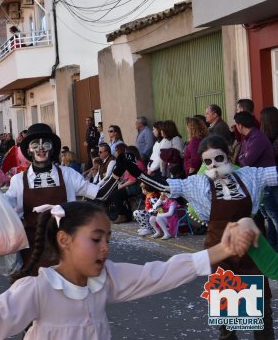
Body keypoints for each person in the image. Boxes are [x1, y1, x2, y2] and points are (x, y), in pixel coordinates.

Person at [0, 201, 237, 339]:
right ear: (64, 240)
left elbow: (159, 273)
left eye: (108, 238)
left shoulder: (107, 279)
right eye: (95, 239)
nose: (105, 247)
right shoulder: (39, 289)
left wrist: (221, 250)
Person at [110, 135, 276, 338]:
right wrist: (136, 171)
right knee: (227, 319)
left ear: (229, 156)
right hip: (220, 253)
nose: (214, 165)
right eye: (208, 162)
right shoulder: (198, 184)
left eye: (219, 158)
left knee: (262, 318)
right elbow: (163, 185)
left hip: (252, 250)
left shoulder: (251, 175)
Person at [0, 123, 102, 276]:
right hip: (32, 252)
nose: (41, 148)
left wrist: (118, 174)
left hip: (66, 249)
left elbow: (98, 193)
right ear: (29, 150)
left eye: (46, 144)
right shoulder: (18, 180)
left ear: (52, 149)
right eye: (35, 144)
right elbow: (3, 207)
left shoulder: (68, 174)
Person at [106, 144, 144, 224]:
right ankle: (117, 213)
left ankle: (123, 215)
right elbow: (126, 177)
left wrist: (122, 185)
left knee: (116, 195)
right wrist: (120, 183)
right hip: (129, 185)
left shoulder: (138, 163)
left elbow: (133, 180)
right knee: (110, 191)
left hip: (137, 186)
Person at [260, 106, 278, 251]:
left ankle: (273, 245)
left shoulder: (263, 139)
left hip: (270, 178)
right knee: (271, 216)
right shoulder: (264, 138)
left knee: (272, 215)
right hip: (271, 178)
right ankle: (273, 245)